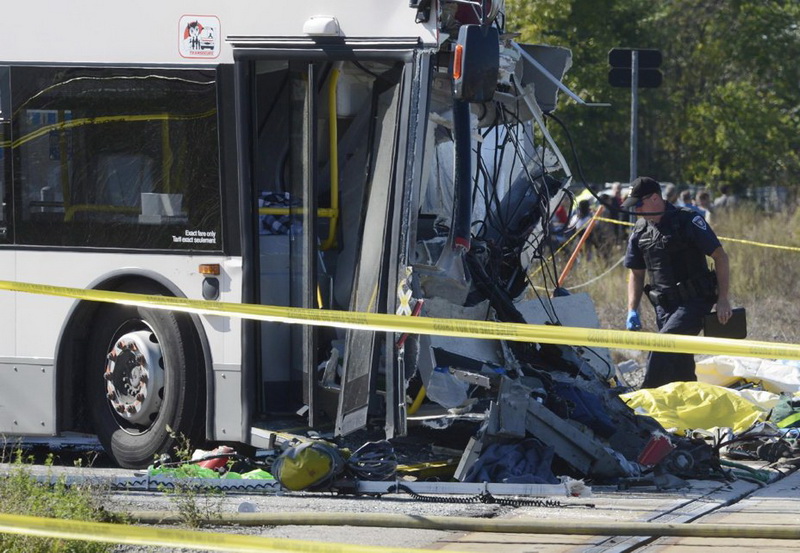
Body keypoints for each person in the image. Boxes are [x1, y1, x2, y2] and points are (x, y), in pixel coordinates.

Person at [622, 176, 732, 388]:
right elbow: (636, 273)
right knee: (679, 360)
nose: (636, 211)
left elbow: (720, 256)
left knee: (662, 346)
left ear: (655, 198)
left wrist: (723, 299)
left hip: (694, 302)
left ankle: (645, 398)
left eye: (638, 204)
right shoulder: (640, 231)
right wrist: (632, 310)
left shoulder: (687, 220)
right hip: (664, 307)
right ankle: (688, 404)